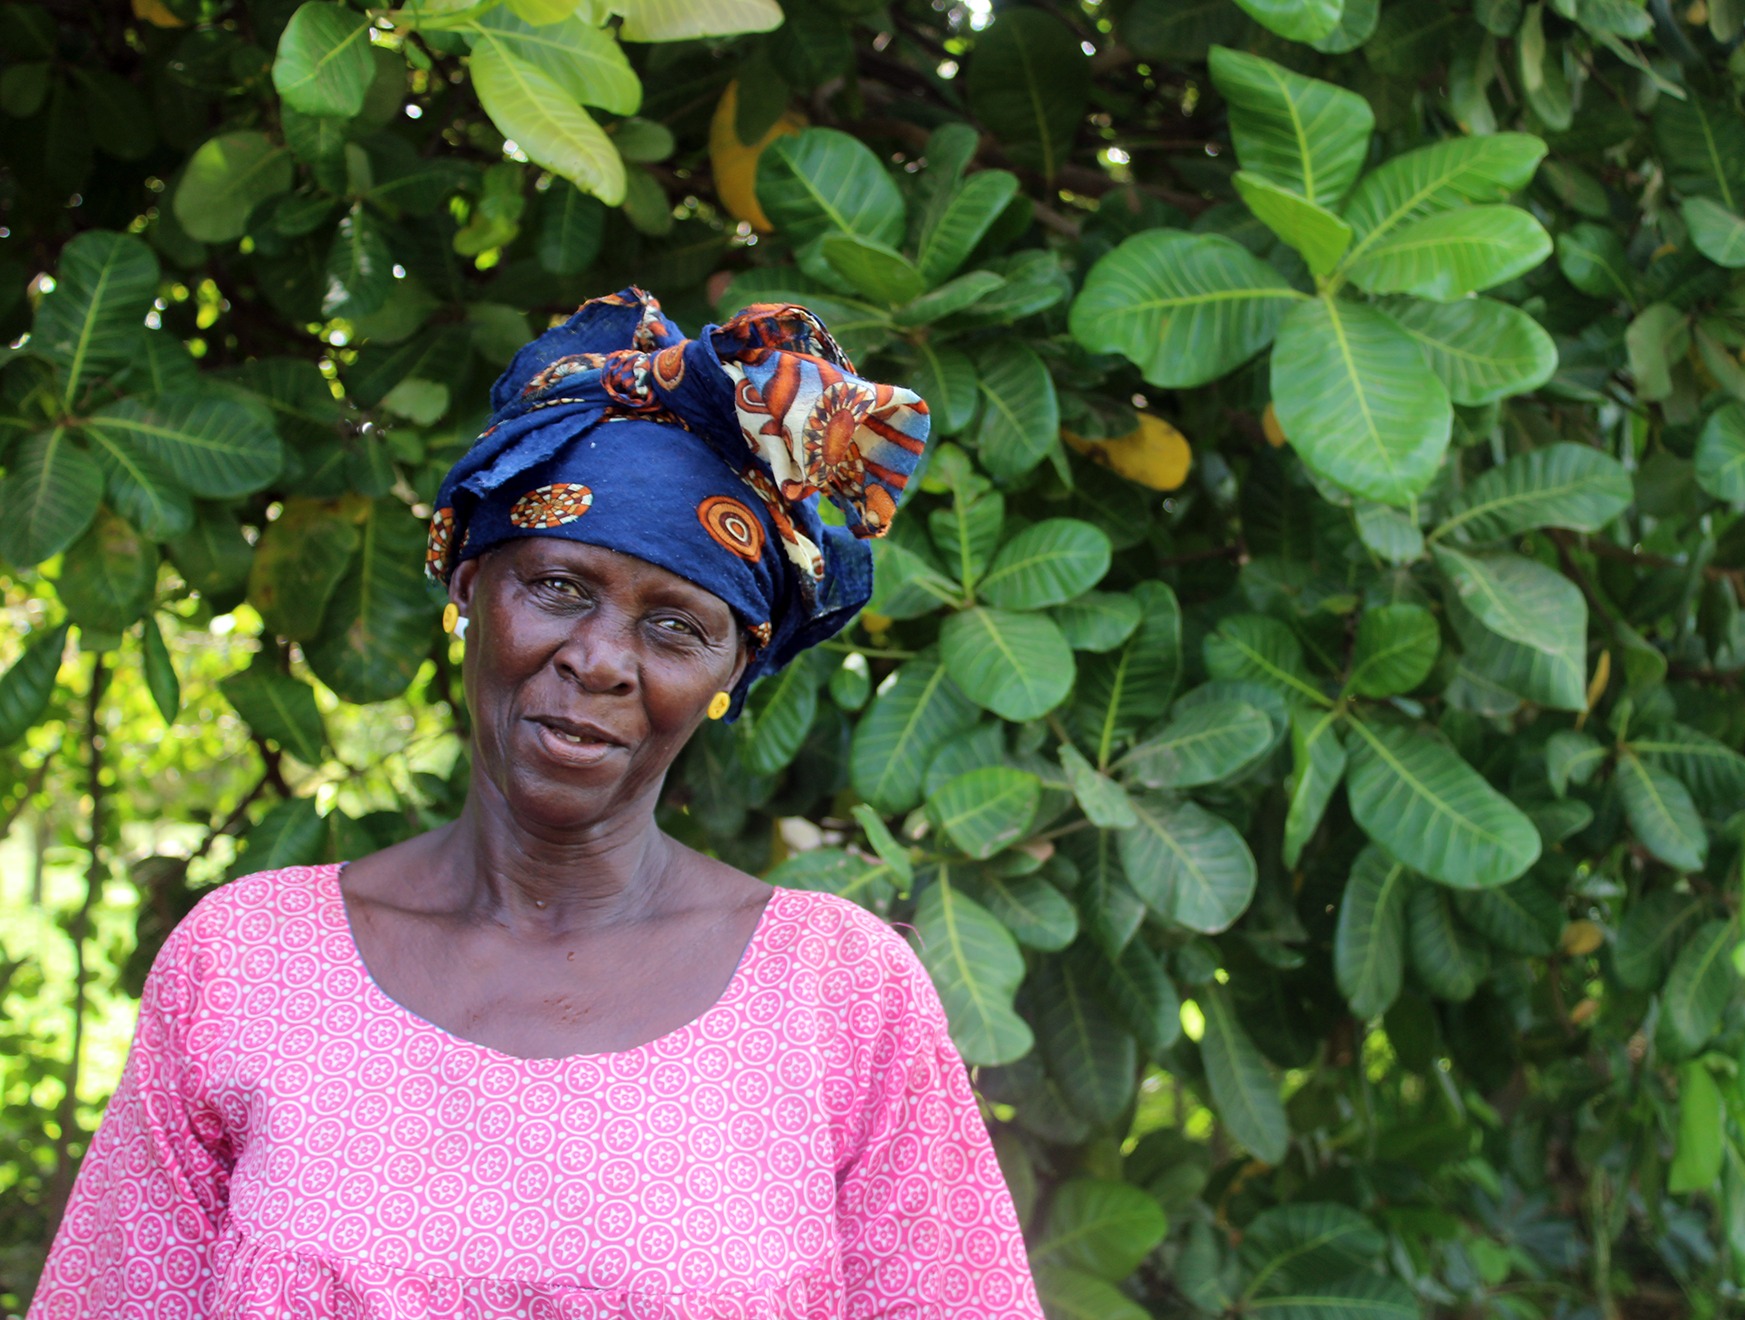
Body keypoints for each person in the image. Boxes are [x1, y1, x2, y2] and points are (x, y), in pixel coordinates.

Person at [30, 291, 1044, 1318]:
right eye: (559, 586)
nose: (600, 659)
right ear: (470, 583)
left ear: (736, 672)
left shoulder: (842, 996)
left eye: (678, 628)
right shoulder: (249, 965)